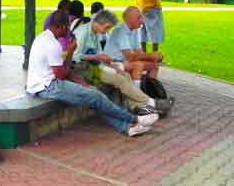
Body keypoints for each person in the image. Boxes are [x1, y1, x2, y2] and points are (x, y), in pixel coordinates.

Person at [26, 10, 159, 137]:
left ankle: (128, 127)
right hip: (48, 86)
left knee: (96, 95)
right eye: (67, 26)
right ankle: (136, 119)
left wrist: (80, 81)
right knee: (97, 95)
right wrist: (72, 52)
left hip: (51, 81)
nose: (69, 30)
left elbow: (63, 71)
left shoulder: (43, 37)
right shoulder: (53, 44)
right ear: (61, 27)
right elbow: (62, 74)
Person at [72, 9, 171, 115]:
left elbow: (101, 57)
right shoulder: (83, 33)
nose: (107, 31)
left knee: (125, 76)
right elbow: (75, 57)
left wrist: (115, 68)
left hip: (93, 66)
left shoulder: (94, 31)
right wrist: (98, 57)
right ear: (98, 23)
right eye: (107, 27)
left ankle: (137, 107)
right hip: (82, 69)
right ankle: (152, 103)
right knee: (120, 80)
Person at [106, 6, 167, 86]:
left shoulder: (134, 29)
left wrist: (153, 58)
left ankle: (149, 91)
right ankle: (137, 94)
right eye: (139, 18)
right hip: (114, 63)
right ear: (129, 19)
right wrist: (151, 55)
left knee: (154, 65)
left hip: (124, 62)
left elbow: (139, 52)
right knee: (138, 65)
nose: (142, 21)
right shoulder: (120, 30)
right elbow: (130, 57)